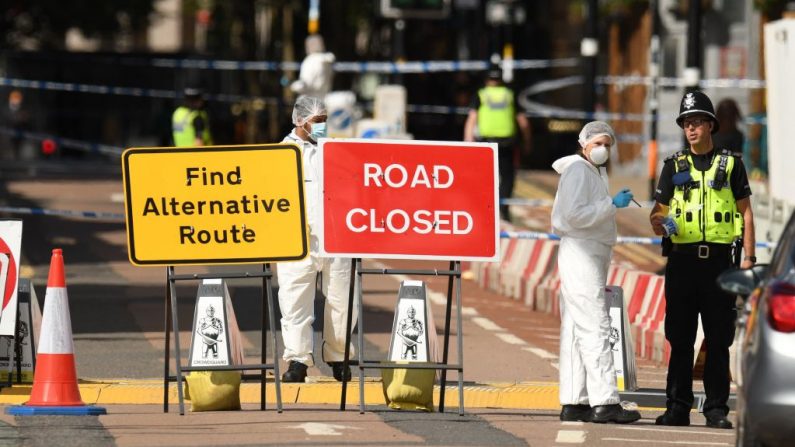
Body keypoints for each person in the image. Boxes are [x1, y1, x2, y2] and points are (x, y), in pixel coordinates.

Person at [649, 91, 755, 429]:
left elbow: (747, 214)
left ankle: (716, 410)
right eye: (686, 123)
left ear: (710, 124)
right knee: (679, 338)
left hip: (720, 264)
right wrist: (667, 224)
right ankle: (677, 407)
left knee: (719, 339)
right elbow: (656, 216)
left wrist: (748, 261)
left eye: (696, 122)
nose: (691, 129)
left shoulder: (731, 164)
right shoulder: (673, 166)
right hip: (681, 263)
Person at [551, 121, 641, 424]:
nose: (603, 149)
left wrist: (609, 204)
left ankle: (575, 401)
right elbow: (573, 216)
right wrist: (610, 204)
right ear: (584, 144)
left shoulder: (592, 171)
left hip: (588, 252)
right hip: (582, 254)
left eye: (608, 144)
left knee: (577, 329)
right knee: (595, 325)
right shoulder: (578, 170)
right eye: (598, 143)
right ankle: (605, 401)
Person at [278, 95, 357, 383]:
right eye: (317, 121)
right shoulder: (283, 153)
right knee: (294, 299)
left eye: (325, 120)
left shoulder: (335, 151)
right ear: (300, 121)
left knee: (342, 299)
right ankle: (297, 360)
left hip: (336, 237)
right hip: (297, 241)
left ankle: (339, 357)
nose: (323, 126)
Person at [464, 69, 532, 222]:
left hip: (485, 143)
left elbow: (472, 119)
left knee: (484, 177)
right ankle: (503, 212)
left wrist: (468, 141)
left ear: (486, 80)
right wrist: (527, 141)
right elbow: (523, 122)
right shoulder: (510, 94)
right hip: (507, 143)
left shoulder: (481, 94)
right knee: (507, 177)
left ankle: (483, 212)